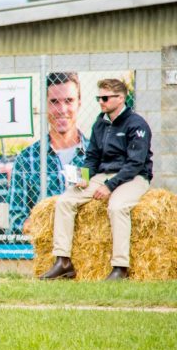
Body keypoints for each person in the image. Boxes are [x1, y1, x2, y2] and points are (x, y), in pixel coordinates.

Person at [40, 78, 153, 281]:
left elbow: (135, 164)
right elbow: (92, 157)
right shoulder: (100, 123)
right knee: (65, 201)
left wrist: (109, 186)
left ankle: (120, 268)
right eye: (98, 98)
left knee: (117, 207)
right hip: (104, 175)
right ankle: (63, 262)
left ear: (121, 98)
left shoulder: (137, 124)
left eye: (105, 98)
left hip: (133, 177)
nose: (101, 102)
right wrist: (84, 177)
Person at [6, 72, 90, 236]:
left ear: (79, 104)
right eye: (54, 102)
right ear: (44, 106)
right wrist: (54, 226)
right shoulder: (27, 160)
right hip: (44, 254)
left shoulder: (95, 155)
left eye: (69, 101)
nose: (62, 109)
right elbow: (15, 221)